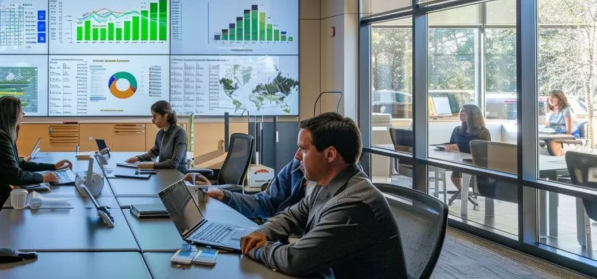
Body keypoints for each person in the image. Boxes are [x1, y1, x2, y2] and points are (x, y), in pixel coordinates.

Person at [239, 112, 406, 278]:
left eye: (304, 149)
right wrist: (263, 233)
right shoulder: (327, 186)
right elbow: (292, 215)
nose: (297, 156)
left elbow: (296, 261)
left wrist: (257, 247)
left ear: (330, 154)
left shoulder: (355, 204)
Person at [0, 96, 72, 227]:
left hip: (0, 198)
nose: (23, 116)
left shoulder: (4, 136)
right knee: (39, 219)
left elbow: (20, 164)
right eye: (21, 112)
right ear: (13, 115)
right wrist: (44, 177)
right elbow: (15, 176)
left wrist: (52, 166)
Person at [189, 158, 306, 224]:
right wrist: (225, 196)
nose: (297, 155)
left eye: (305, 149)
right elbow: (266, 203)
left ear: (325, 154)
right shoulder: (295, 167)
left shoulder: (322, 196)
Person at [124, 101, 188, 173]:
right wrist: (137, 158)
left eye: (155, 116)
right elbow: (153, 153)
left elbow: (174, 163)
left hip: (178, 177)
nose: (152, 120)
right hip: (164, 175)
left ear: (166, 116)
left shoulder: (180, 133)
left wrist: (148, 165)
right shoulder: (160, 133)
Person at [440, 104, 490, 195]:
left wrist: (459, 147)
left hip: (474, 163)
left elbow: (484, 152)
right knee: (454, 177)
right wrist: (448, 147)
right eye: (461, 111)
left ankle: (465, 194)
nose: (461, 113)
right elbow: (452, 143)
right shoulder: (457, 130)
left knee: (458, 175)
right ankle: (464, 193)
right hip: (458, 161)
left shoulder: (483, 132)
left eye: (465, 112)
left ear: (473, 115)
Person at [545, 90, 573, 156]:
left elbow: (569, 131)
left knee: (551, 141)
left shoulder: (566, 110)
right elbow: (547, 126)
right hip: (552, 134)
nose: (550, 100)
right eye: (549, 98)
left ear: (561, 98)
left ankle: (558, 158)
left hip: (564, 134)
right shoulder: (550, 111)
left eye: (553, 98)